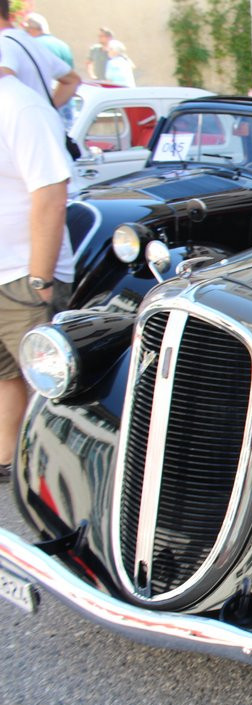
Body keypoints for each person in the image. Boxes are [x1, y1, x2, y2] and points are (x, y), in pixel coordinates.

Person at [0, 70, 74, 480]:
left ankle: (54, 483)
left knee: (51, 386)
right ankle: (9, 462)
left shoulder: (20, 106)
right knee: (5, 376)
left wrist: (39, 282)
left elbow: (50, 194)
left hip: (23, 277)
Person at [0, 0, 79, 109]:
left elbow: (6, 80)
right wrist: (48, 109)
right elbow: (73, 80)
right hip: (38, 121)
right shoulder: (31, 42)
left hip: (19, 123)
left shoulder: (3, 43)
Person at [22, 13, 75, 127]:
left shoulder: (34, 46)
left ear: (30, 29)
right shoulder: (62, 45)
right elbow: (71, 77)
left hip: (45, 103)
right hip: (66, 102)